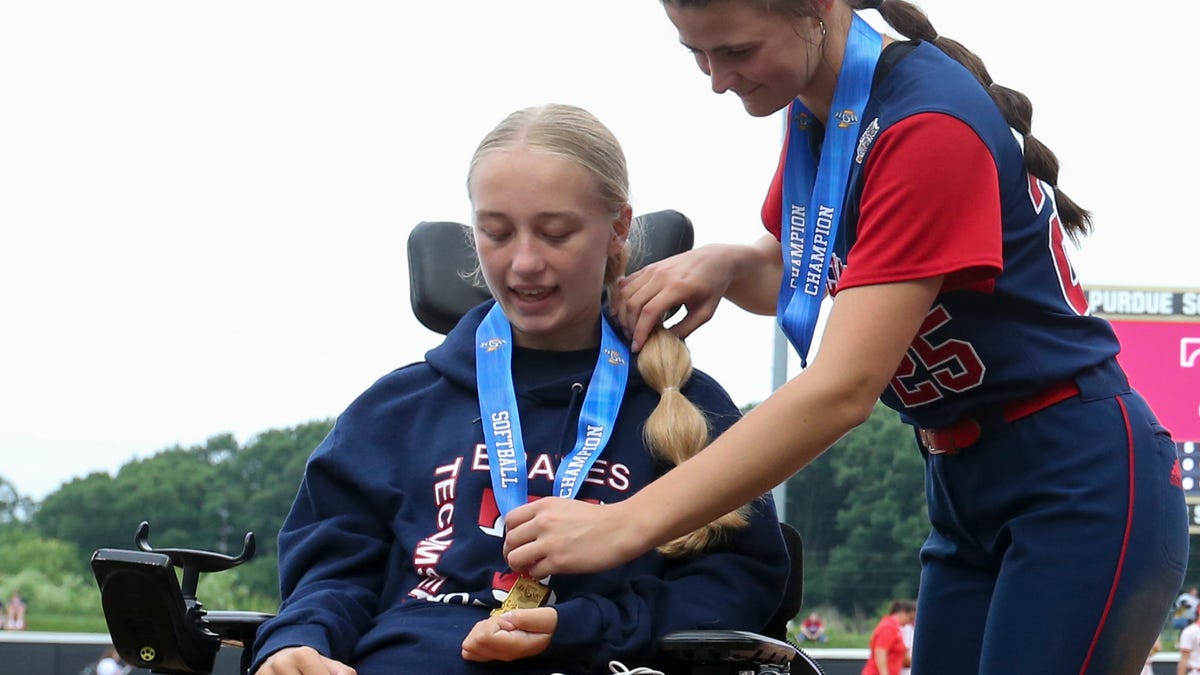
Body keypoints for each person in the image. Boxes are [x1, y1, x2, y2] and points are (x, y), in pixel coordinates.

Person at [500, 1, 1189, 673]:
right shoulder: (821, 112)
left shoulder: (924, 124)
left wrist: (623, 524)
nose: (716, 79)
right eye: (696, 53)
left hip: (1073, 473)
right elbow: (809, 272)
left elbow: (843, 389)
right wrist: (730, 262)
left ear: (817, 11)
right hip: (962, 483)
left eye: (736, 51)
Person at [249, 103, 790, 675]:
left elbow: (734, 590)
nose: (524, 262)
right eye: (497, 233)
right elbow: (331, 575)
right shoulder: (392, 412)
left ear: (619, 228)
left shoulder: (686, 407)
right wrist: (299, 644)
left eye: (555, 233)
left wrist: (579, 627)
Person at [862, 600, 915, 675]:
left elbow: (903, 660)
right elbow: (880, 652)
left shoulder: (897, 629)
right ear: (902, 613)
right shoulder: (888, 627)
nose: (910, 622)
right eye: (910, 618)